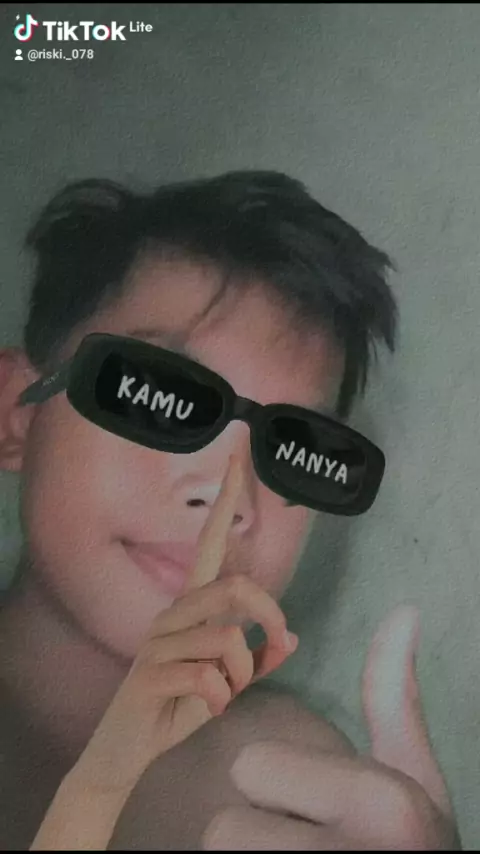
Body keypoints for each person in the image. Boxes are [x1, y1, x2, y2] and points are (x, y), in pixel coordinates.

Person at [0, 170, 459, 850]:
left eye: (292, 447)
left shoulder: (309, 798)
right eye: (158, 396)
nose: (227, 496)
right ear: (17, 412)